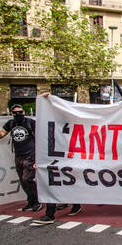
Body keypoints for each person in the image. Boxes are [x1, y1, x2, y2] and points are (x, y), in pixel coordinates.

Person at [32, 92, 82, 225]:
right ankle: (49, 214)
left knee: (69, 183)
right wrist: (45, 99)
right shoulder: (48, 126)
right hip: (52, 159)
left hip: (69, 158)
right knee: (51, 183)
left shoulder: (72, 126)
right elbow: (42, 143)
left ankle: (76, 204)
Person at [0, 104, 42, 212]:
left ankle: (37, 201)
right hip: (18, 156)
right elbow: (1, 134)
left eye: (20, 112)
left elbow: (41, 135)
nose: (18, 114)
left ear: (24, 112)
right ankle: (31, 201)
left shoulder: (30, 122)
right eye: (15, 113)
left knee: (27, 178)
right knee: (22, 181)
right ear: (12, 114)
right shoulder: (11, 123)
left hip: (30, 155)